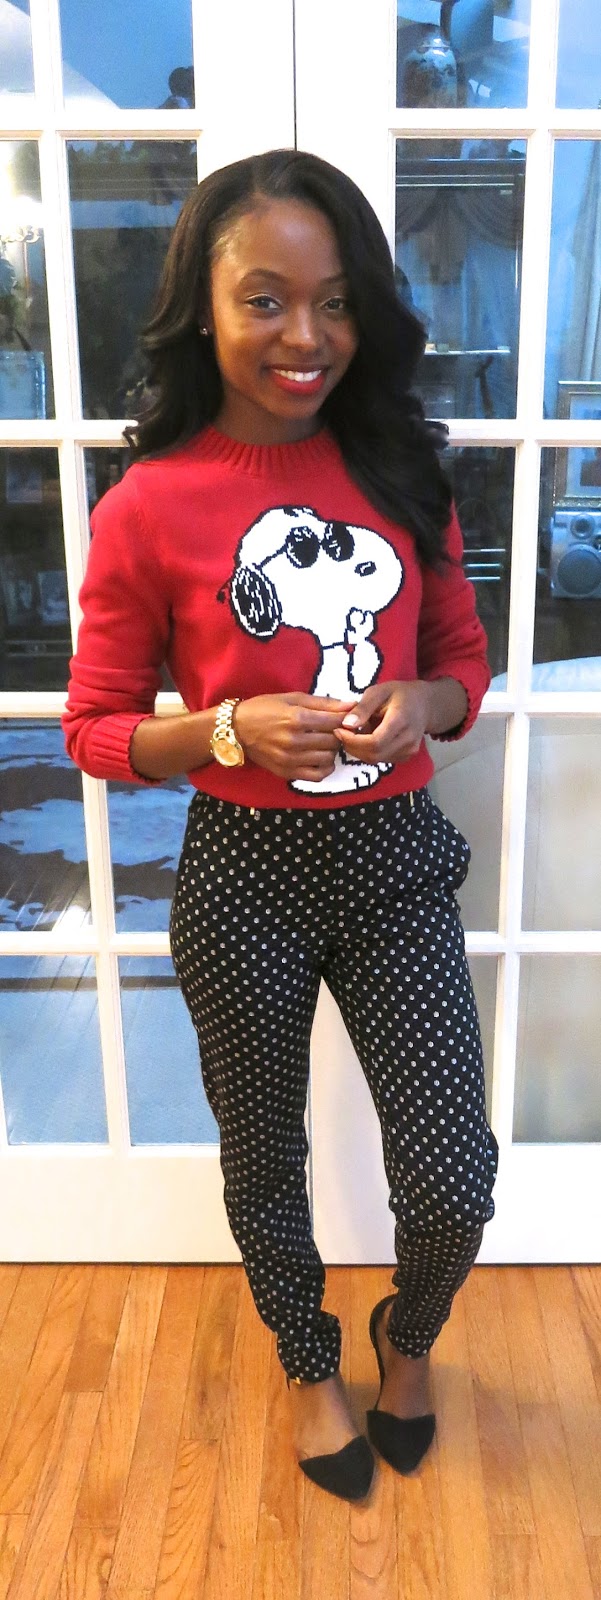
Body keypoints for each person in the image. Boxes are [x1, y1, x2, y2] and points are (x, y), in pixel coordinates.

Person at [62, 148, 499, 1505]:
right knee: (263, 1155)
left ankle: (406, 1336)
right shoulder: (147, 507)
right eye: (265, 299)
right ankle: (308, 1364)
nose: (305, 335)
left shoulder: (404, 468)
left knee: (453, 1178)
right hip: (241, 874)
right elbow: (94, 729)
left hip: (393, 863)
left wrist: (419, 703)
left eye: (335, 301)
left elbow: (461, 669)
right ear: (202, 307)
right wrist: (226, 731)